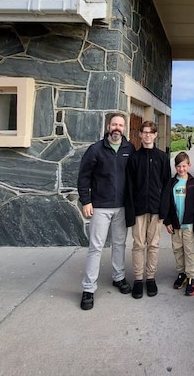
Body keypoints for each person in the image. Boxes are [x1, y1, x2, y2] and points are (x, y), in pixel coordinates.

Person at [77, 113, 135, 311]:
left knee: (119, 244)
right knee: (96, 247)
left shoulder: (130, 149)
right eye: (114, 124)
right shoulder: (95, 150)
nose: (117, 128)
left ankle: (118, 277)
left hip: (122, 206)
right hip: (100, 206)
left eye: (121, 125)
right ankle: (88, 288)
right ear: (108, 126)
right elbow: (84, 176)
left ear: (124, 128)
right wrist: (86, 200)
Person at [125, 120, 172, 299]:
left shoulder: (162, 158)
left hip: (156, 208)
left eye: (150, 132)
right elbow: (129, 186)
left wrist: (164, 209)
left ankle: (150, 277)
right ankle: (138, 278)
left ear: (154, 135)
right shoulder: (134, 158)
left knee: (153, 244)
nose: (147, 135)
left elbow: (166, 184)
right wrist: (130, 211)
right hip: (138, 209)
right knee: (138, 244)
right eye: (144, 132)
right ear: (140, 135)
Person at [163, 151, 194, 297]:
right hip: (175, 223)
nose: (181, 169)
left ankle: (191, 276)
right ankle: (182, 273)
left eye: (184, 166)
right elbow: (167, 204)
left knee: (189, 250)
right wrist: (167, 221)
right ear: (175, 167)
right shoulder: (171, 183)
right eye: (178, 166)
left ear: (189, 166)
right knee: (177, 249)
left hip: (188, 224)